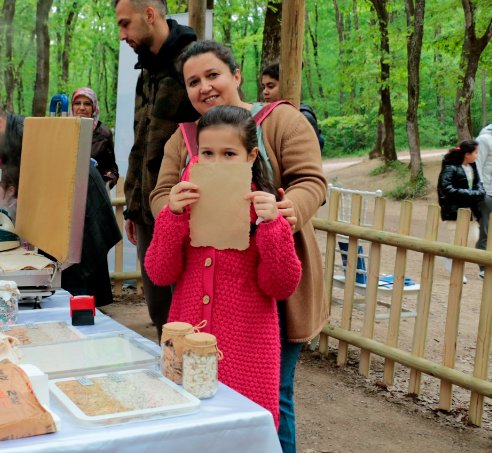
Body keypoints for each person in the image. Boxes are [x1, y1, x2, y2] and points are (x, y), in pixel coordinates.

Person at [150, 40, 326, 453]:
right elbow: (160, 194)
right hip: (201, 281)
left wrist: (284, 213)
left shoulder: (281, 120)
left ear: (236, 75)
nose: (204, 87)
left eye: (212, 75)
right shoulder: (183, 138)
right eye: (193, 81)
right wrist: (175, 212)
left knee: (273, 393)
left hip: (272, 278)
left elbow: (311, 180)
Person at [145, 105, 301, 428]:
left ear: (251, 155)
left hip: (247, 352)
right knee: (186, 435)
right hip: (185, 347)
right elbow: (159, 273)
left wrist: (273, 226)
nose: (217, 162)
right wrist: (172, 217)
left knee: (241, 435)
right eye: (207, 153)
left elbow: (281, 285)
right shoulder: (184, 206)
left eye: (229, 154)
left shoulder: (266, 212)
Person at [115, 0, 199, 340]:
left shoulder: (193, 65)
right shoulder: (147, 70)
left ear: (149, 14)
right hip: (149, 212)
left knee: (188, 322)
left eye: (125, 24)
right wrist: (134, 208)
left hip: (187, 214)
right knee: (160, 314)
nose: (122, 35)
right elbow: (142, 145)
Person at [438, 140, 485, 282]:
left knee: (474, 237)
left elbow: (478, 184)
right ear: (467, 154)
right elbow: (446, 188)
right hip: (454, 211)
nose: (477, 155)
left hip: (471, 210)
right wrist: (469, 194)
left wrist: (479, 192)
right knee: (457, 240)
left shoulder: (472, 166)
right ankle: (457, 271)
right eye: (475, 152)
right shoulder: (450, 168)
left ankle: (448, 256)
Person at [261, 63, 324, 153]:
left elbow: (309, 154)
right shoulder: (267, 114)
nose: (265, 92)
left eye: (270, 86)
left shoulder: (303, 117)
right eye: (264, 87)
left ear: (286, 86)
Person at [71, 87, 119, 188]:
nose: (82, 108)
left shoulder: (104, 134)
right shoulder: (63, 130)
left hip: (92, 192)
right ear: (72, 107)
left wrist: (104, 183)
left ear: (94, 107)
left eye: (87, 104)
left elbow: (112, 171)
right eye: (77, 103)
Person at [476, 107, 492, 279]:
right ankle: (483, 267)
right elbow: (477, 165)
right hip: (489, 192)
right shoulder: (484, 139)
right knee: (487, 230)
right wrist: (481, 190)